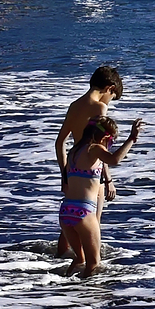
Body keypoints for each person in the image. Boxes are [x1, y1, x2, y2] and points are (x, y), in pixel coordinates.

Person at [58, 115, 142, 278]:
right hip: (83, 212)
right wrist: (131, 139)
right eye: (110, 142)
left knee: (79, 258)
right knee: (93, 263)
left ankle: (64, 289)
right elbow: (114, 159)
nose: (108, 146)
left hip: (66, 211)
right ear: (105, 137)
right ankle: (88, 297)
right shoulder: (94, 149)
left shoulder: (74, 151)